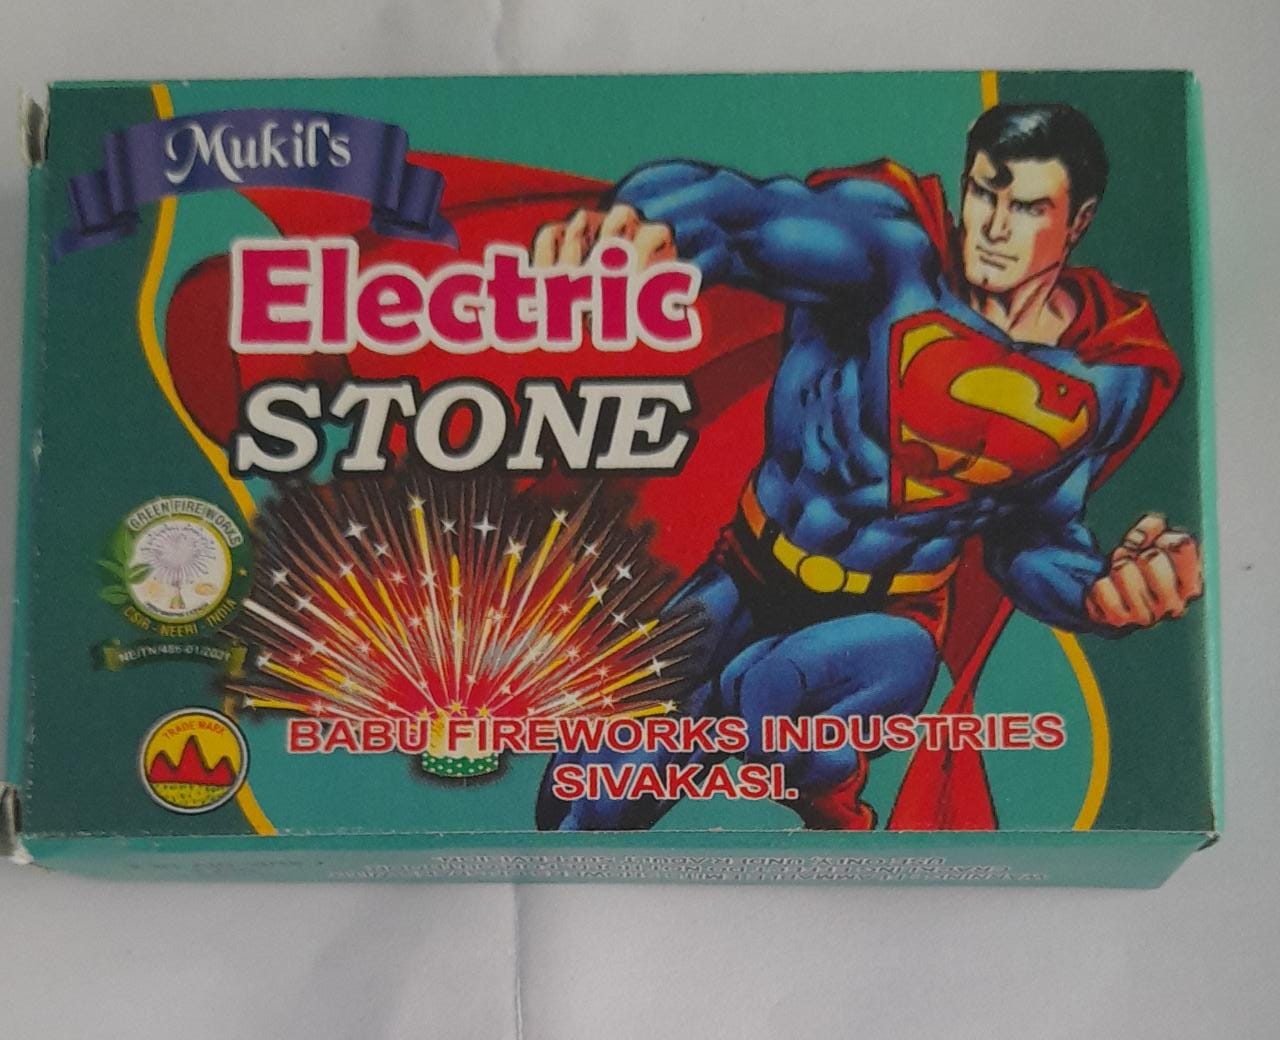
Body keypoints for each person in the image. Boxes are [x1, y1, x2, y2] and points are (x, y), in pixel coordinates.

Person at [531, 103, 1203, 831]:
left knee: (768, 687)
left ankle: (827, 787)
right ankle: (797, 766)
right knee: (582, 796)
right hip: (748, 573)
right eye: (985, 193)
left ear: (1078, 222)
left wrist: (1100, 594)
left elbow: (1033, 535)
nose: (994, 227)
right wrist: (646, 224)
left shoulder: (1101, 376)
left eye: (1029, 208)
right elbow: (746, 218)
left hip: (886, 628)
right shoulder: (890, 254)